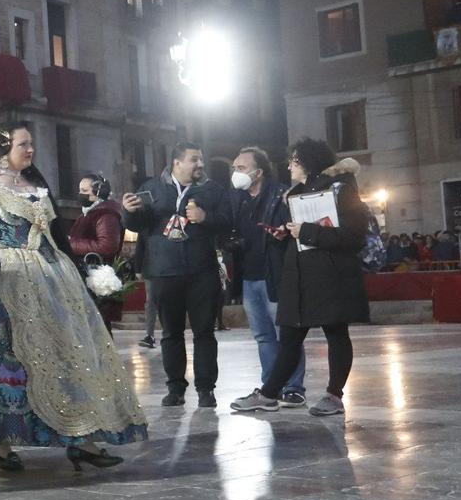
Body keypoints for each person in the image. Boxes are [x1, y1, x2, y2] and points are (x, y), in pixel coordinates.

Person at [0, 123, 146, 472]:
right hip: (5, 282)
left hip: (54, 280)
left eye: (32, 143)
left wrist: (82, 274)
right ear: (2, 149)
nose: (30, 150)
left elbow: (55, 237)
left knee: (69, 357)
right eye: (23, 144)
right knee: (5, 362)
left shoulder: (38, 188)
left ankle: (83, 439)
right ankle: (1, 443)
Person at [230, 140, 371, 418]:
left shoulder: (340, 189)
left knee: (336, 333)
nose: (289, 166)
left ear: (308, 161)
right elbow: (304, 233)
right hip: (300, 276)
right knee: (290, 336)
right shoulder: (298, 193)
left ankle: (334, 395)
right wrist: (286, 232)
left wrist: (305, 231)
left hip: (331, 275)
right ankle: (269, 394)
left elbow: (355, 237)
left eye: (294, 160)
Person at [123, 144, 230, 408]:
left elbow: (228, 222)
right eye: (194, 160)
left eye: (201, 159)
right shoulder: (151, 188)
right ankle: (175, 389)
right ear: (176, 163)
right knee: (171, 333)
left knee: (204, 332)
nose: (200, 165)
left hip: (201, 271)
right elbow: (136, 225)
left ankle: (206, 389)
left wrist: (205, 217)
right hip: (163, 271)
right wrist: (128, 210)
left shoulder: (212, 190)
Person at [229, 147, 304, 409]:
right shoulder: (237, 198)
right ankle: (270, 388)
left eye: (241, 168)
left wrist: (283, 232)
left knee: (286, 334)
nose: (235, 173)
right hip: (249, 276)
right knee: (263, 336)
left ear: (258, 172)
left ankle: (293, 388)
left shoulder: (281, 195)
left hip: (277, 273)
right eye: (235, 168)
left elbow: (295, 228)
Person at [67, 173, 127, 327]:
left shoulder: (105, 215)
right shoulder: (89, 213)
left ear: (97, 192)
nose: (80, 194)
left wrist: (71, 243)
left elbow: (107, 246)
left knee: (99, 328)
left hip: (98, 279)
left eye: (84, 190)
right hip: (87, 277)